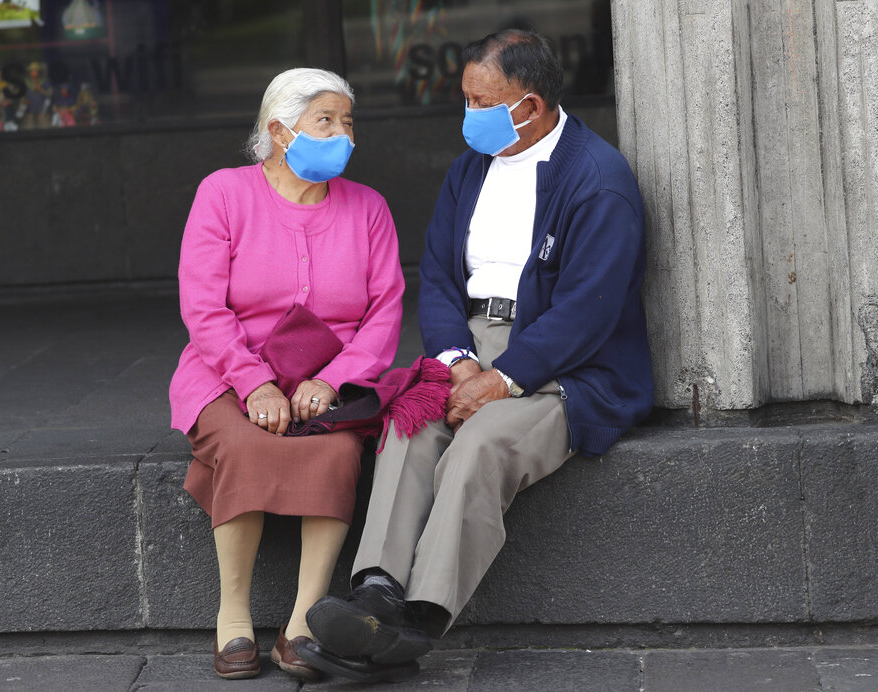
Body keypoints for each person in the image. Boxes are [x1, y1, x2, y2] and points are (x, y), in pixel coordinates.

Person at [297, 30, 654, 683]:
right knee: (408, 424)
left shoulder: (597, 180)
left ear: (533, 107)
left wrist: (503, 378)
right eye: (466, 98)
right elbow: (436, 276)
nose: (469, 115)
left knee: (480, 444)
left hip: (567, 365)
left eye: (481, 102)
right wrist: (460, 361)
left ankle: (418, 622)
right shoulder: (472, 168)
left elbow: (588, 312)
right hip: (473, 343)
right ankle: (375, 593)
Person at [168, 67, 404, 681]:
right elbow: (202, 305)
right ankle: (234, 617)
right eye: (325, 120)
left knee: (337, 453)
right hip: (226, 372)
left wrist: (334, 378)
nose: (342, 135)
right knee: (245, 443)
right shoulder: (223, 193)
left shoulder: (369, 208)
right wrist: (254, 383)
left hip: (328, 381)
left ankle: (302, 621)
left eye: (347, 122)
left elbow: (384, 314)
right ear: (279, 131)